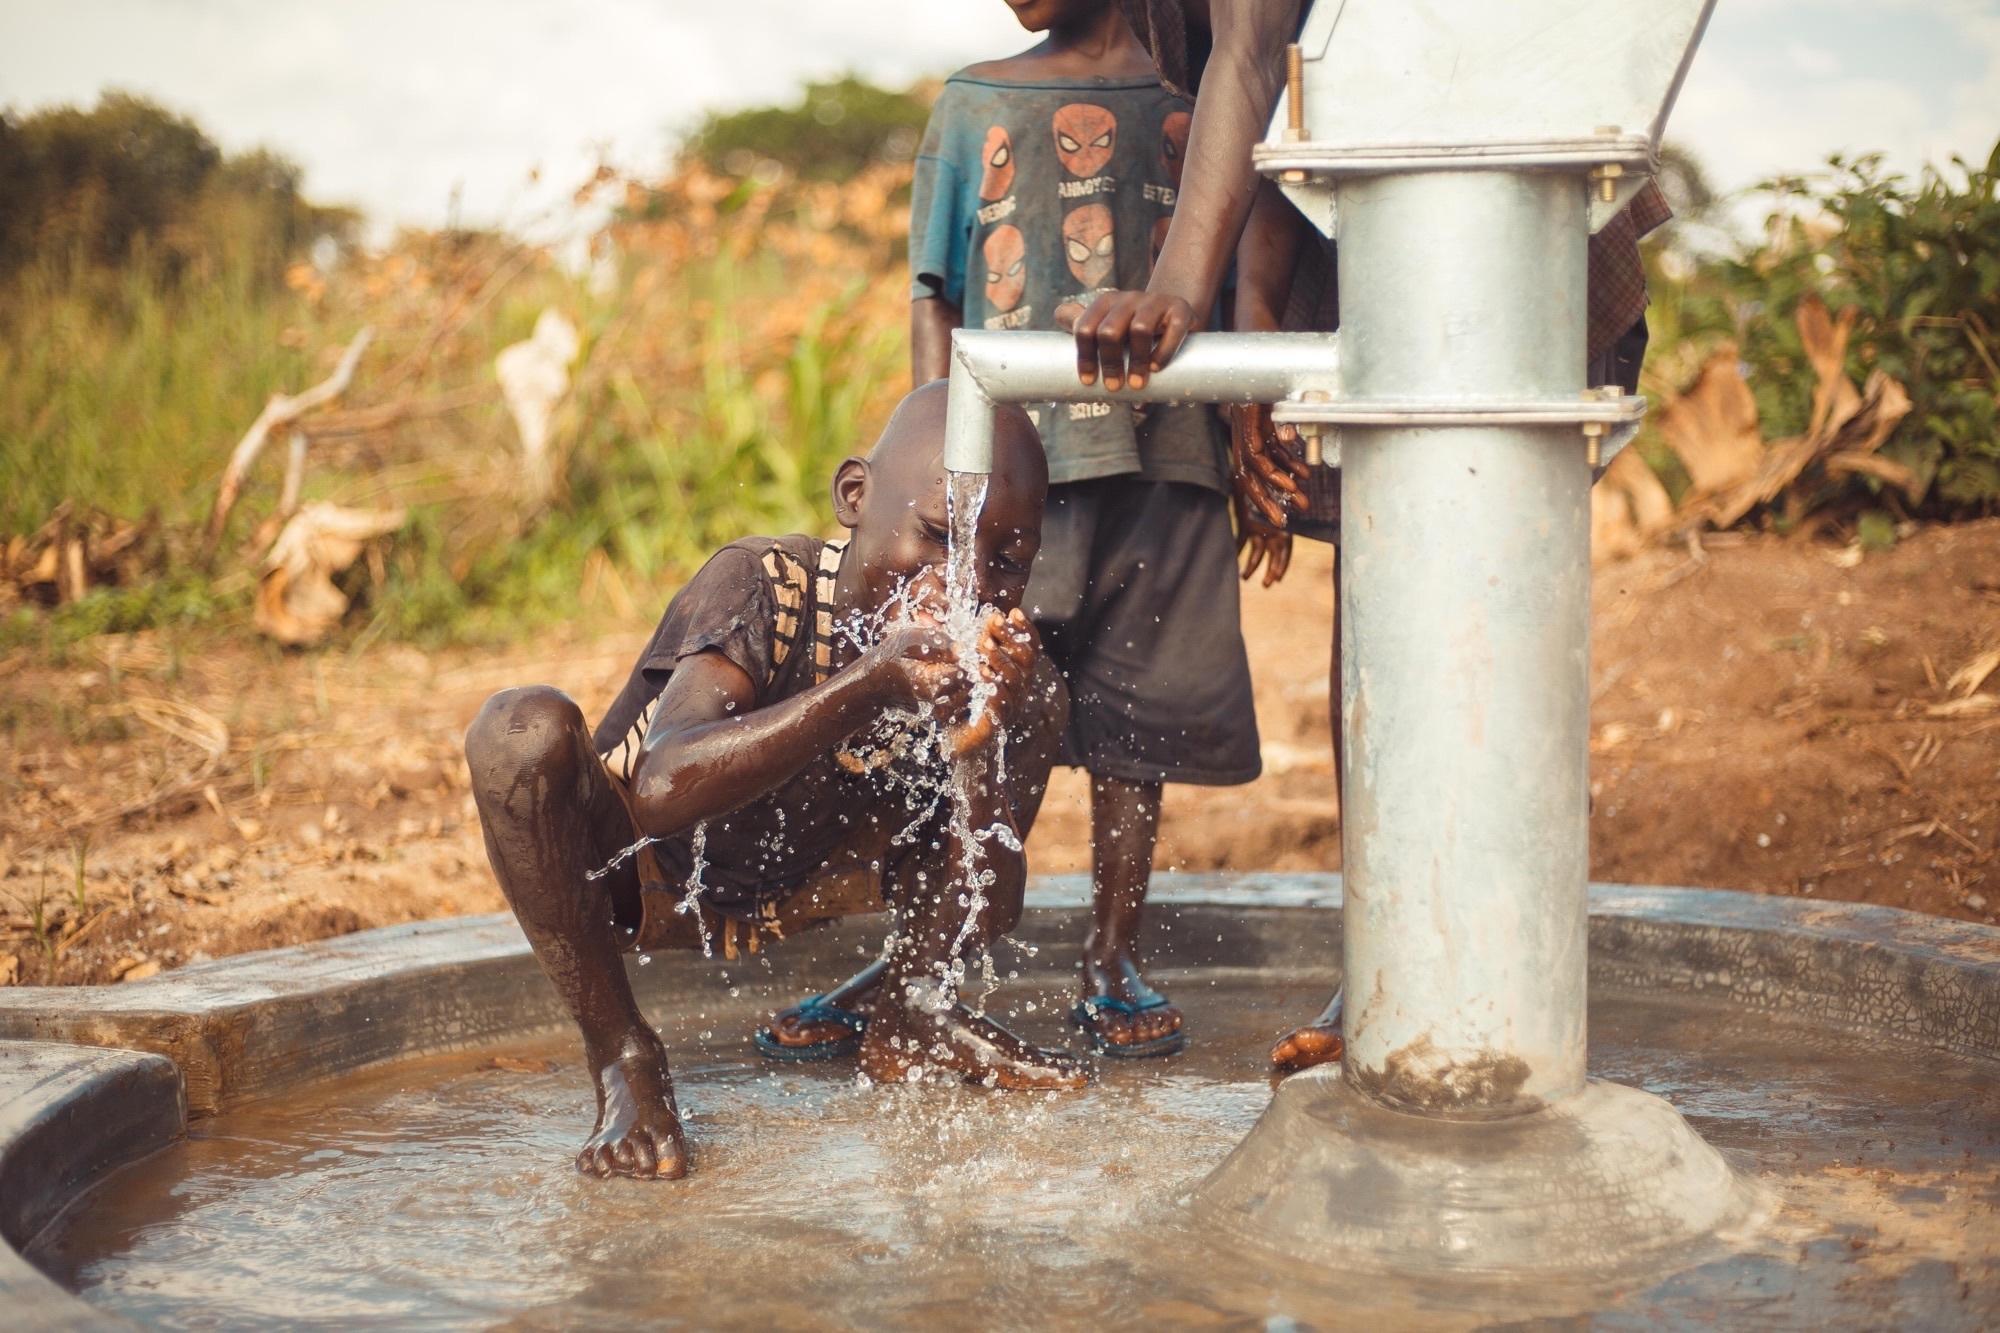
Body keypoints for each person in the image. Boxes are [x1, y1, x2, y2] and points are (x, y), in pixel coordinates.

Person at [1071, 0, 1673, 1071]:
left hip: (1493, 201)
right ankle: (1395, 962)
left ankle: (1490, 969)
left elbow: (1256, 57)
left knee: (1471, 592)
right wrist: (1251, 352)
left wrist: (1174, 292)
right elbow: (1262, 96)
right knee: (1379, 592)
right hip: (1351, 229)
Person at [758, 0, 1263, 1063]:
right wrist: (944, 473)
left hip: (1166, 465)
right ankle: (916, 962)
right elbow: (931, 300)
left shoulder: (1202, 111)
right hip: (1009, 491)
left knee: (1140, 733)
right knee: (983, 720)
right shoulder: (970, 105)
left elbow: (1233, 289)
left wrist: (1251, 425)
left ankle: (1110, 954)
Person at [465, 382, 1083, 1182]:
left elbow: (991, 907)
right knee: (517, 732)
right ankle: (624, 1057)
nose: (963, 584)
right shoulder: (764, 585)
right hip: (653, 871)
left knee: (1038, 697)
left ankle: (913, 1011)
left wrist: (976, 744)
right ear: (854, 496)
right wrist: (867, 684)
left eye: (1005, 561)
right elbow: (661, 788)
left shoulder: (1005, 681)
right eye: (936, 534)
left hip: (824, 877)